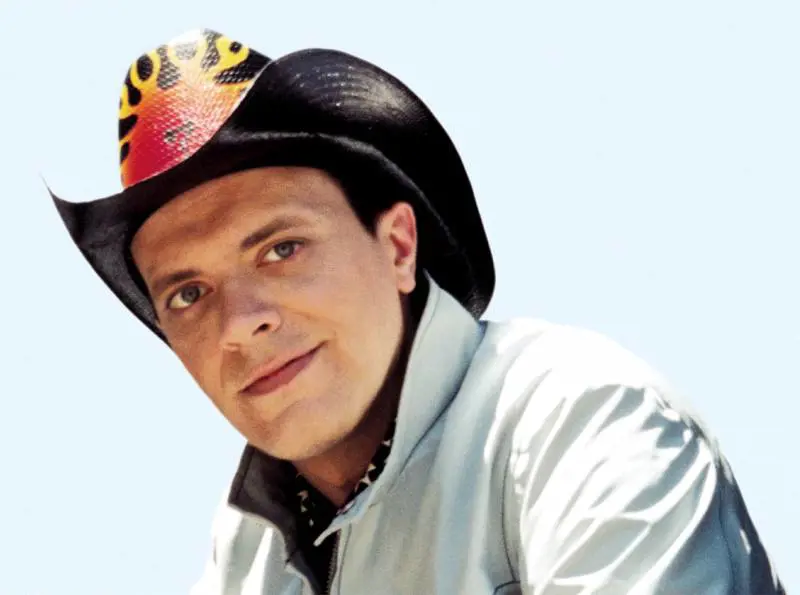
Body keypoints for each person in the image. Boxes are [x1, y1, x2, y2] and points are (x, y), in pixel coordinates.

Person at [50, 29, 784, 595]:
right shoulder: (246, 557)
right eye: (187, 294)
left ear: (399, 247)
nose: (241, 321)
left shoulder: (578, 418)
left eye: (281, 248)